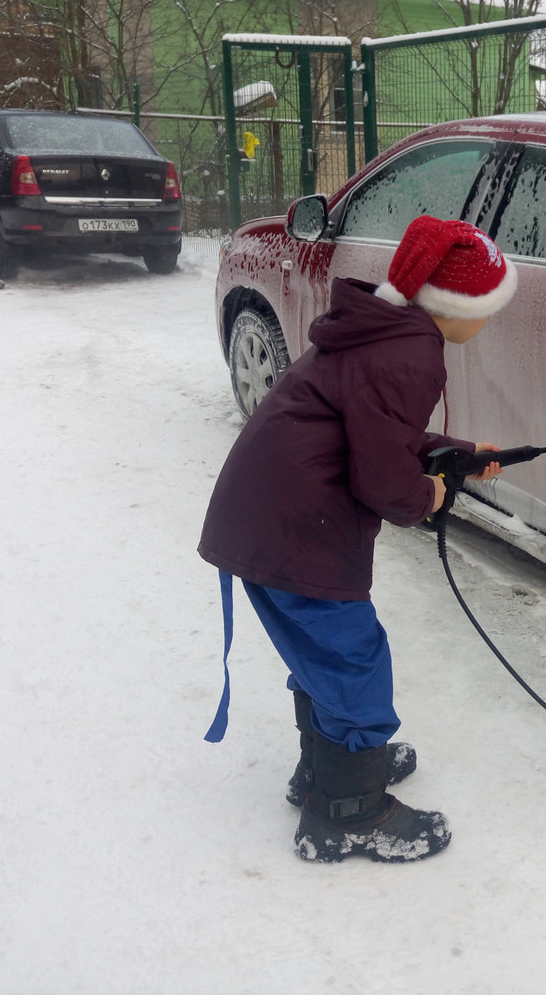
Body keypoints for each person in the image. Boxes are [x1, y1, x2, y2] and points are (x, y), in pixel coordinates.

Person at [197, 214, 517, 863]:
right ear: (457, 305)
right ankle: (347, 811)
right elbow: (384, 480)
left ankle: (331, 767)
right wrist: (428, 493)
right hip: (294, 533)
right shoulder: (410, 355)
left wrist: (450, 452)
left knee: (328, 655)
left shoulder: (380, 332)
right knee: (353, 660)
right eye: (487, 305)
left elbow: (368, 426)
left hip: (274, 519)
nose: (487, 319)